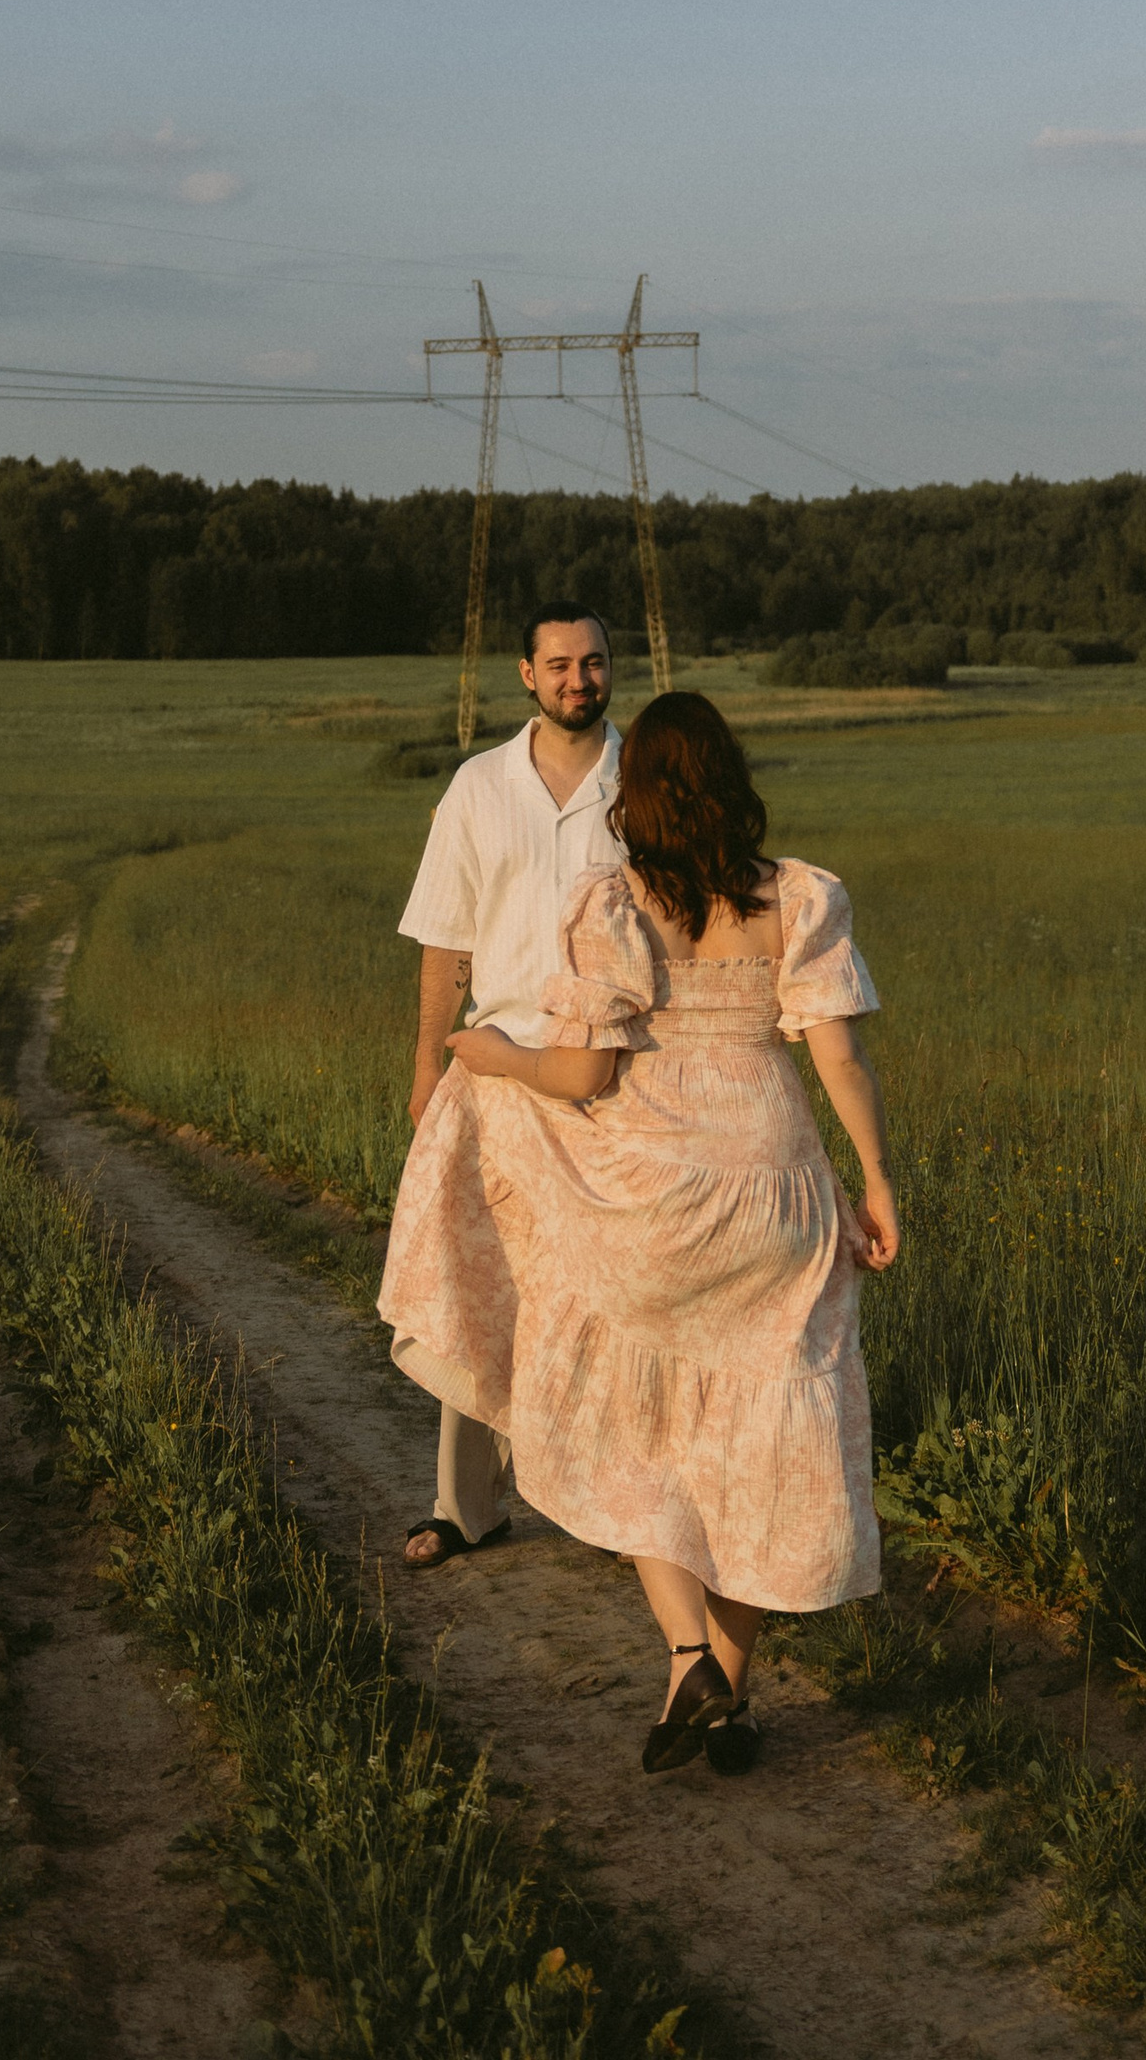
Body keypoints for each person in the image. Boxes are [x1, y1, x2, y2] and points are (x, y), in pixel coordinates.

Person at [380, 689, 899, 1776]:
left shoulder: (615, 903)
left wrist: (494, 1057)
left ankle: (686, 1657)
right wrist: (876, 1181)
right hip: (778, 1188)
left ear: (638, 793)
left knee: (633, 1425)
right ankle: (728, 1695)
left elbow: (583, 1073)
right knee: (767, 1439)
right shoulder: (799, 896)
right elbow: (840, 1059)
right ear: (731, 780)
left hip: (653, 1191)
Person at [392, 598, 621, 1570]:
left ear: (611, 667)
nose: (578, 679)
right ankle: (465, 1506)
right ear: (526, 674)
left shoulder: (645, 781)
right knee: (481, 1279)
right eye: (559, 664)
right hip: (494, 1063)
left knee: (611, 1293)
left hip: (616, 1075)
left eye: (592, 662)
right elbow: (445, 942)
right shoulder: (479, 786)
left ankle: (620, 1509)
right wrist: (425, 1070)